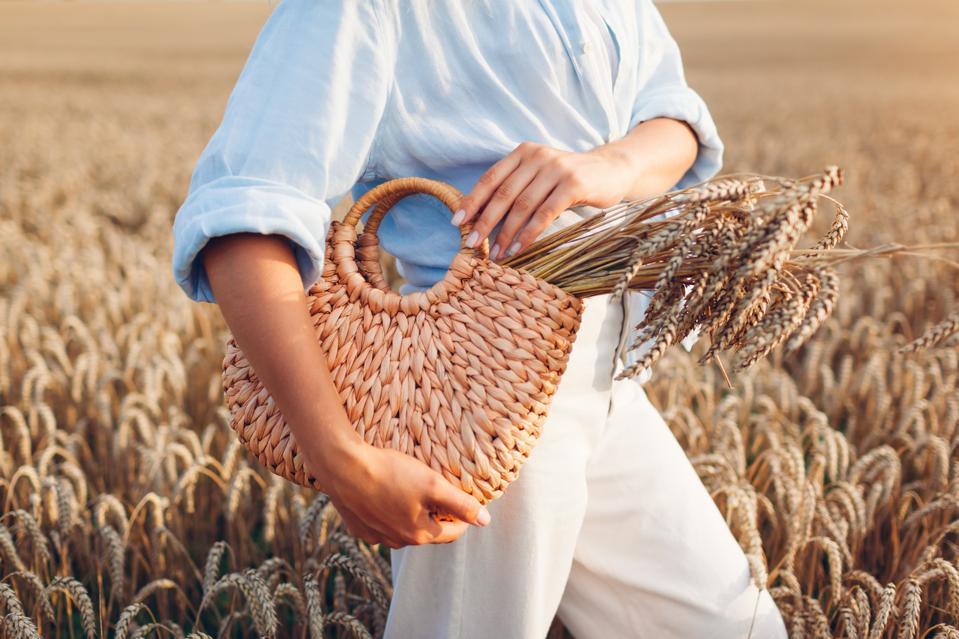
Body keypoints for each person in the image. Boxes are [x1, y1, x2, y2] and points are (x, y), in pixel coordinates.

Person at [172, 1, 788, 637]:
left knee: (736, 627)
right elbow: (244, 219)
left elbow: (673, 118)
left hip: (611, 374)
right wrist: (342, 459)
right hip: (466, 389)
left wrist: (609, 166)